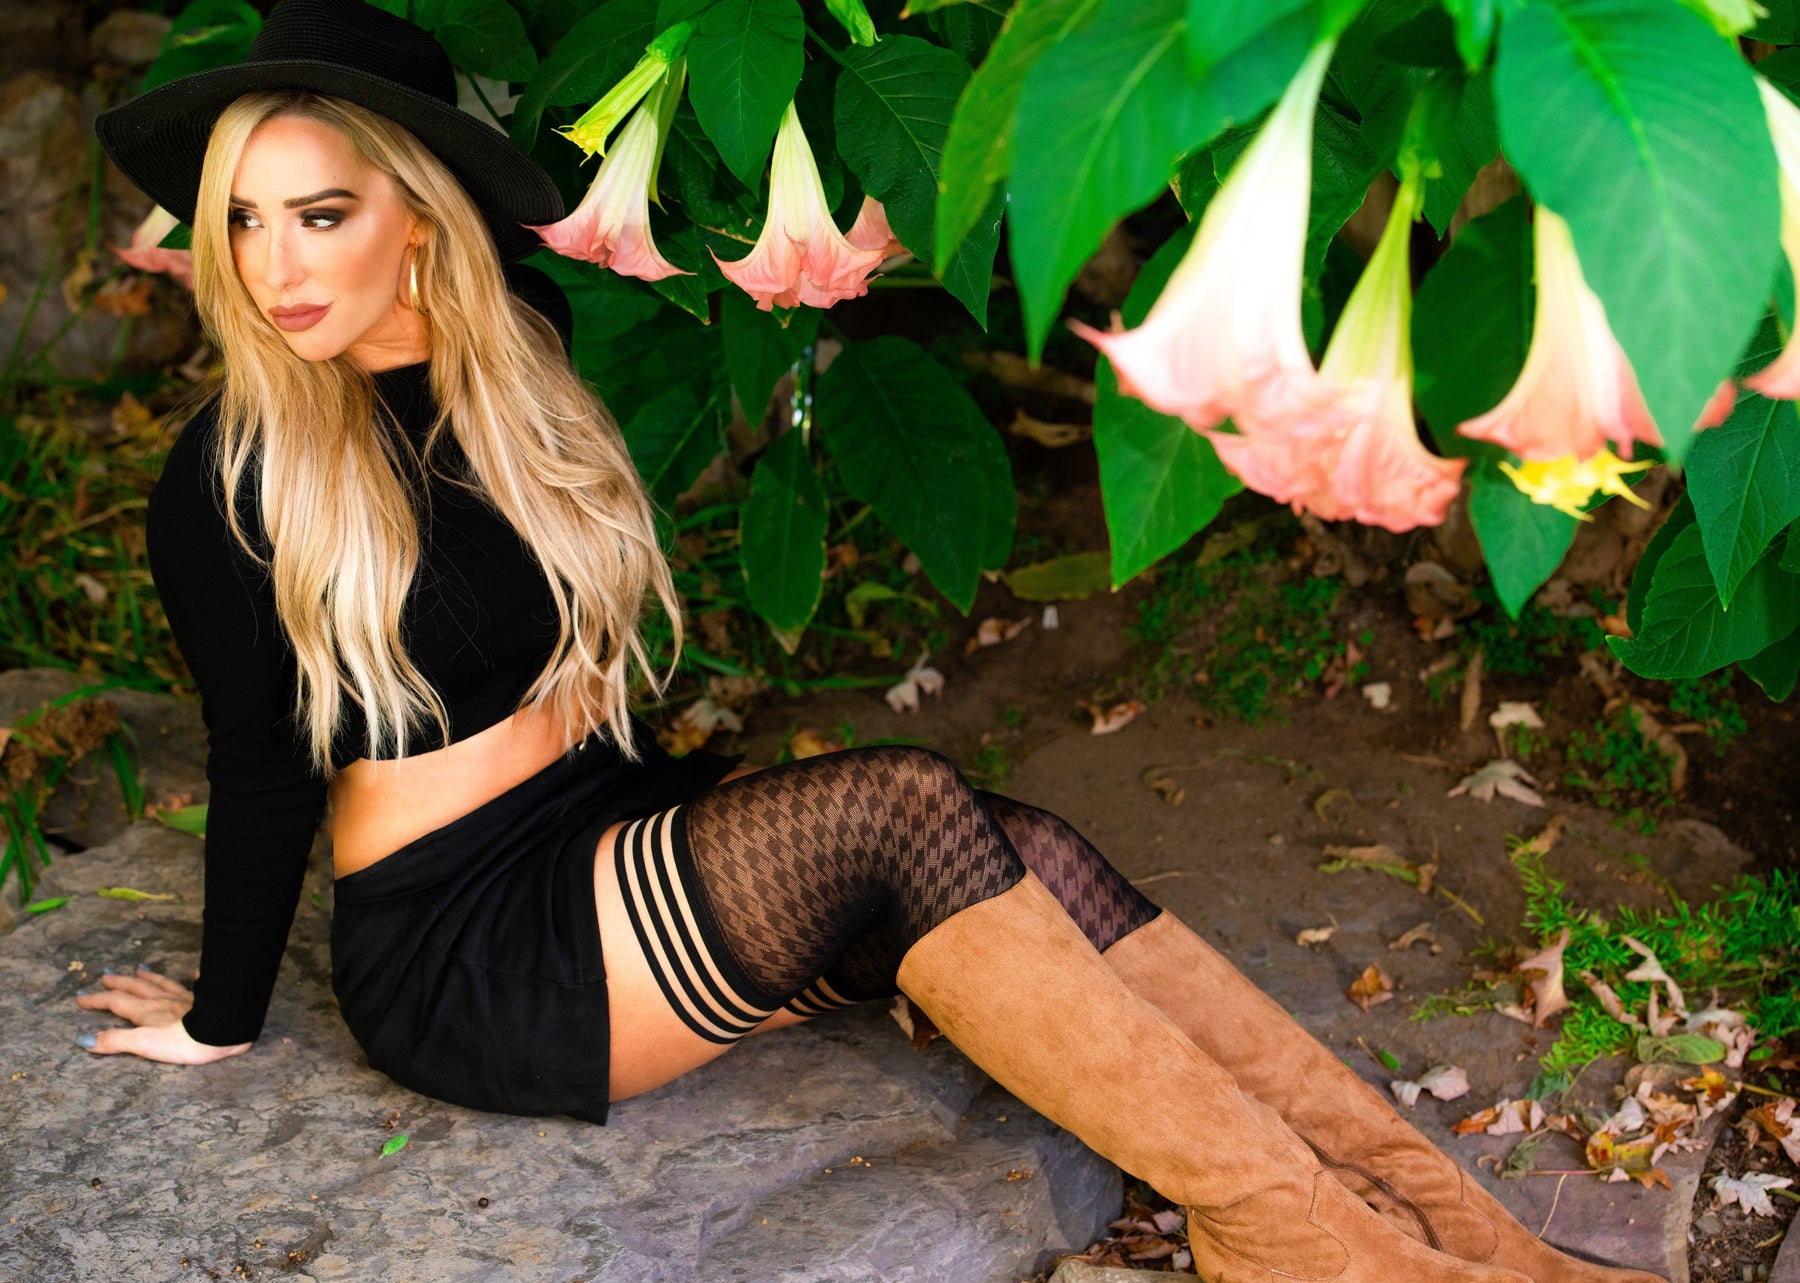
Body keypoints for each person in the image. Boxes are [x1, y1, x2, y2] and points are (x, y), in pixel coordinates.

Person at [80, 3, 1664, 1281]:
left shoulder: (519, 353)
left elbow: (554, 640)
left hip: (595, 829)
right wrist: (222, 1016)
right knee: (901, 808)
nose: (274, 266)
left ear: (419, 215)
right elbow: (257, 766)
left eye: (321, 214)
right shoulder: (233, 471)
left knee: (1015, 843)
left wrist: (677, 816)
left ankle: (1457, 1235)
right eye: (243, 221)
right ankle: (1290, 1239)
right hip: (472, 952)